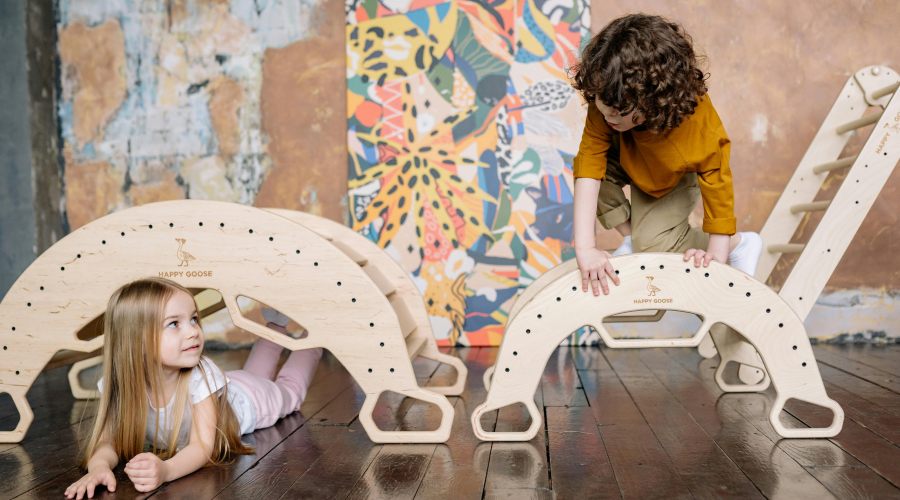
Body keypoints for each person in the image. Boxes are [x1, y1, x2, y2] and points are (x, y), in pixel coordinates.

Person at [65, 278, 321, 499]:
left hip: (251, 402)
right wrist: (99, 468)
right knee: (253, 374)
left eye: (194, 319)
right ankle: (276, 327)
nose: (194, 332)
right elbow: (106, 441)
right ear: (135, 341)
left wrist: (167, 470)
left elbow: (201, 447)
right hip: (227, 385)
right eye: (174, 324)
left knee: (290, 391)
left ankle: (316, 335)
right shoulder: (121, 384)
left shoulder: (200, 376)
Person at [570, 13, 762, 296]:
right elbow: (589, 163)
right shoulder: (610, 94)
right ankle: (634, 237)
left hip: (672, 177)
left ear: (652, 101)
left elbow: (717, 182)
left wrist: (718, 254)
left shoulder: (697, 126)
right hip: (626, 159)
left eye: (619, 112)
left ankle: (742, 244)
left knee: (654, 245)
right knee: (589, 174)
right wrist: (585, 249)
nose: (607, 115)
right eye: (602, 106)